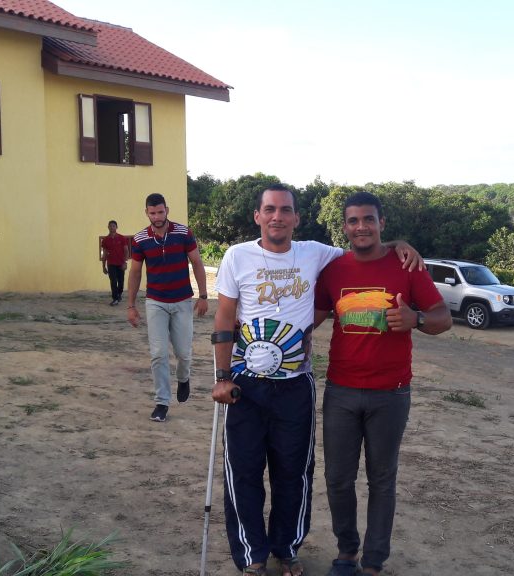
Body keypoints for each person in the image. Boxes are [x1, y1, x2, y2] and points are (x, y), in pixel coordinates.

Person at [210, 184, 422, 576]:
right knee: (243, 472)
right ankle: (252, 555)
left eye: (285, 210)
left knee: (294, 472)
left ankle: (286, 548)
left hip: (296, 383)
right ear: (257, 216)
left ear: (296, 218)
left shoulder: (316, 253)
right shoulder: (237, 256)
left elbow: (364, 244)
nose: (277, 217)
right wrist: (222, 377)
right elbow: (224, 317)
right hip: (245, 383)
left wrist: (398, 244)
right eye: (269, 210)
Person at [314, 192, 451, 576]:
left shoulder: (407, 266)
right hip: (341, 391)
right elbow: (310, 318)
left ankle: (373, 563)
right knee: (337, 479)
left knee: (381, 480)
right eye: (353, 220)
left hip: (391, 393)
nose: (361, 227)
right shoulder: (333, 269)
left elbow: (443, 317)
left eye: (368, 220)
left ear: (381, 223)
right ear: (344, 227)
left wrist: (416, 319)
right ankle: (346, 553)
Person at [127, 193, 209, 422]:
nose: (157, 217)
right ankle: (162, 402)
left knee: (184, 353)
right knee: (158, 354)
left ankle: (183, 378)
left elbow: (197, 262)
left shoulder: (183, 233)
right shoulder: (140, 239)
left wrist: (203, 296)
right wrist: (131, 305)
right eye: (152, 213)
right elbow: (135, 272)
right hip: (156, 302)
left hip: (182, 301)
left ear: (167, 211)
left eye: (160, 212)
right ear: (147, 213)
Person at [100, 220, 129, 306]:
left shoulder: (122, 238)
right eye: (110, 226)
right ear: (108, 227)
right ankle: (115, 298)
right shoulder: (105, 240)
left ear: (116, 227)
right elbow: (104, 254)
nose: (112, 227)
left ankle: (119, 294)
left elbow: (126, 251)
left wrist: (125, 262)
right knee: (113, 281)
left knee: (121, 281)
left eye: (113, 226)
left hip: (121, 263)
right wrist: (103, 266)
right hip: (111, 264)